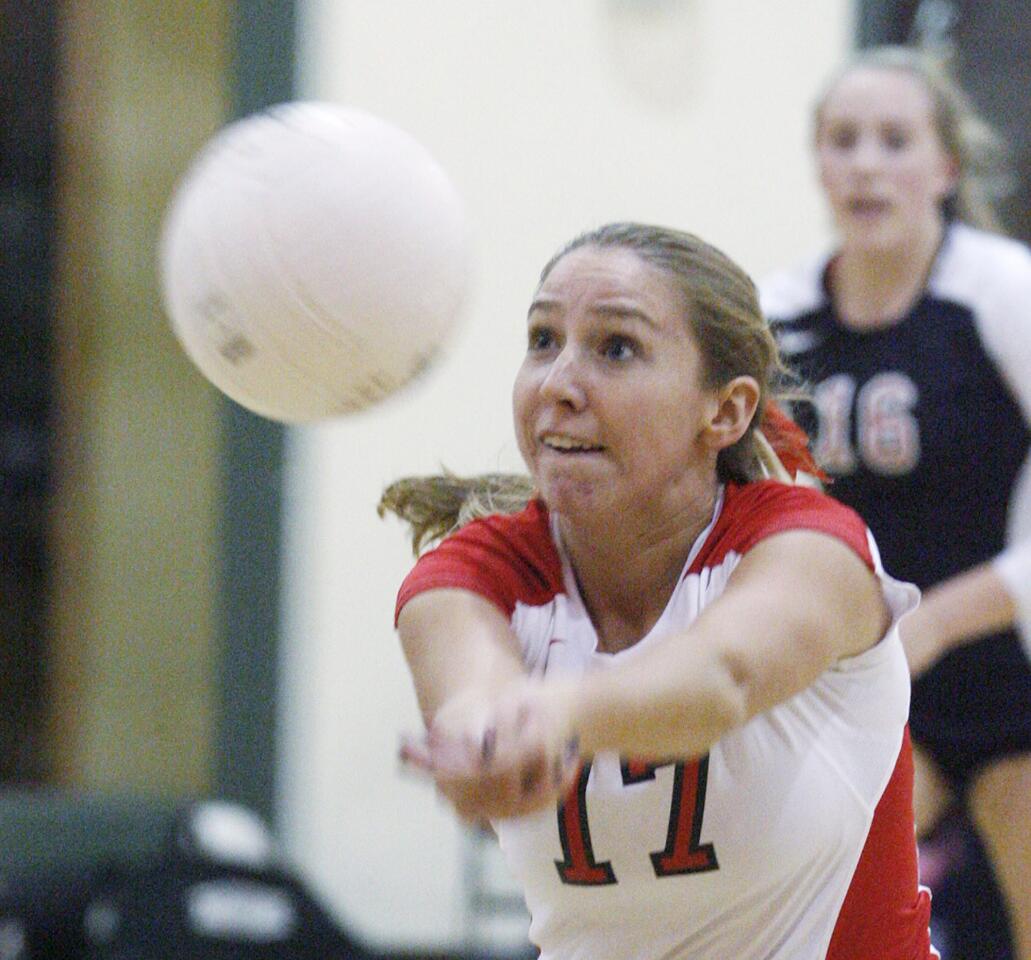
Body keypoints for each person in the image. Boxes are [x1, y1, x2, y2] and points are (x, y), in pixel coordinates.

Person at [379, 222, 935, 960]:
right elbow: (473, 694)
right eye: (543, 340)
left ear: (726, 411)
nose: (558, 383)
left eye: (615, 348)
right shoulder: (467, 577)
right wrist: (485, 744)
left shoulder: (809, 549)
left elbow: (719, 679)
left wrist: (554, 714)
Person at [759, 46, 1031, 960]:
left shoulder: (1001, 292)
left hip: (1010, 665)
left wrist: (945, 620)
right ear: (816, 164)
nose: (866, 163)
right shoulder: (778, 314)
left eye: (893, 140)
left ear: (943, 167)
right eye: (843, 140)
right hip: (866, 677)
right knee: (815, 919)